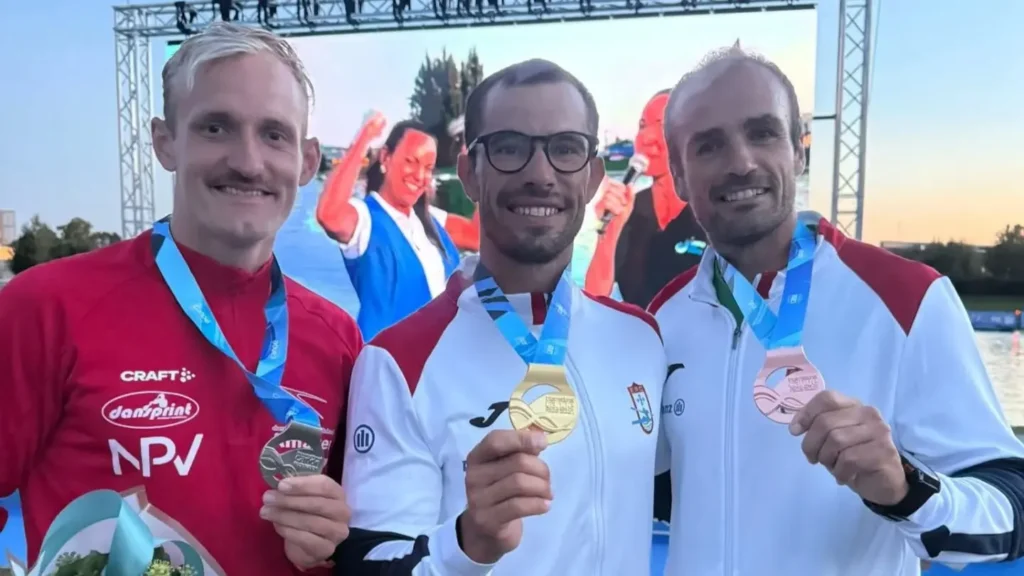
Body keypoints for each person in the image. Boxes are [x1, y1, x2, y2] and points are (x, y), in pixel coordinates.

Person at [650, 46, 1024, 575]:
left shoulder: (906, 296)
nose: (741, 162)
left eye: (762, 133)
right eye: (709, 145)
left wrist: (904, 488)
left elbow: (1011, 499)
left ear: (799, 150)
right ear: (679, 175)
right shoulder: (661, 321)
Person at [0, 23, 358, 575]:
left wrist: (339, 544)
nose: (248, 161)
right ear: (165, 142)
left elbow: (370, 534)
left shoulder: (337, 340)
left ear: (307, 161)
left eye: (274, 134)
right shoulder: (46, 308)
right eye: (216, 127)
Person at [333, 59, 668, 575]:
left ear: (593, 177)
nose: (540, 174)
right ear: (470, 172)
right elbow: (371, 565)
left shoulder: (641, 339)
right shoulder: (397, 363)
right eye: (510, 147)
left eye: (565, 148)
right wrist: (467, 544)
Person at [316, 116, 480, 340]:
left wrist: (479, 167)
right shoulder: (366, 219)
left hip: (439, 355)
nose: (420, 176)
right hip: (387, 357)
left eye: (428, 168)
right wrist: (365, 137)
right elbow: (329, 214)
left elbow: (476, 236)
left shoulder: (430, 219)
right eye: (411, 161)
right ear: (386, 157)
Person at [584, 89, 708, 309]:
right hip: (640, 329)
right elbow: (593, 301)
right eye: (643, 126)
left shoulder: (712, 208)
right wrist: (609, 232)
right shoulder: (628, 209)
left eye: (662, 125)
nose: (648, 137)